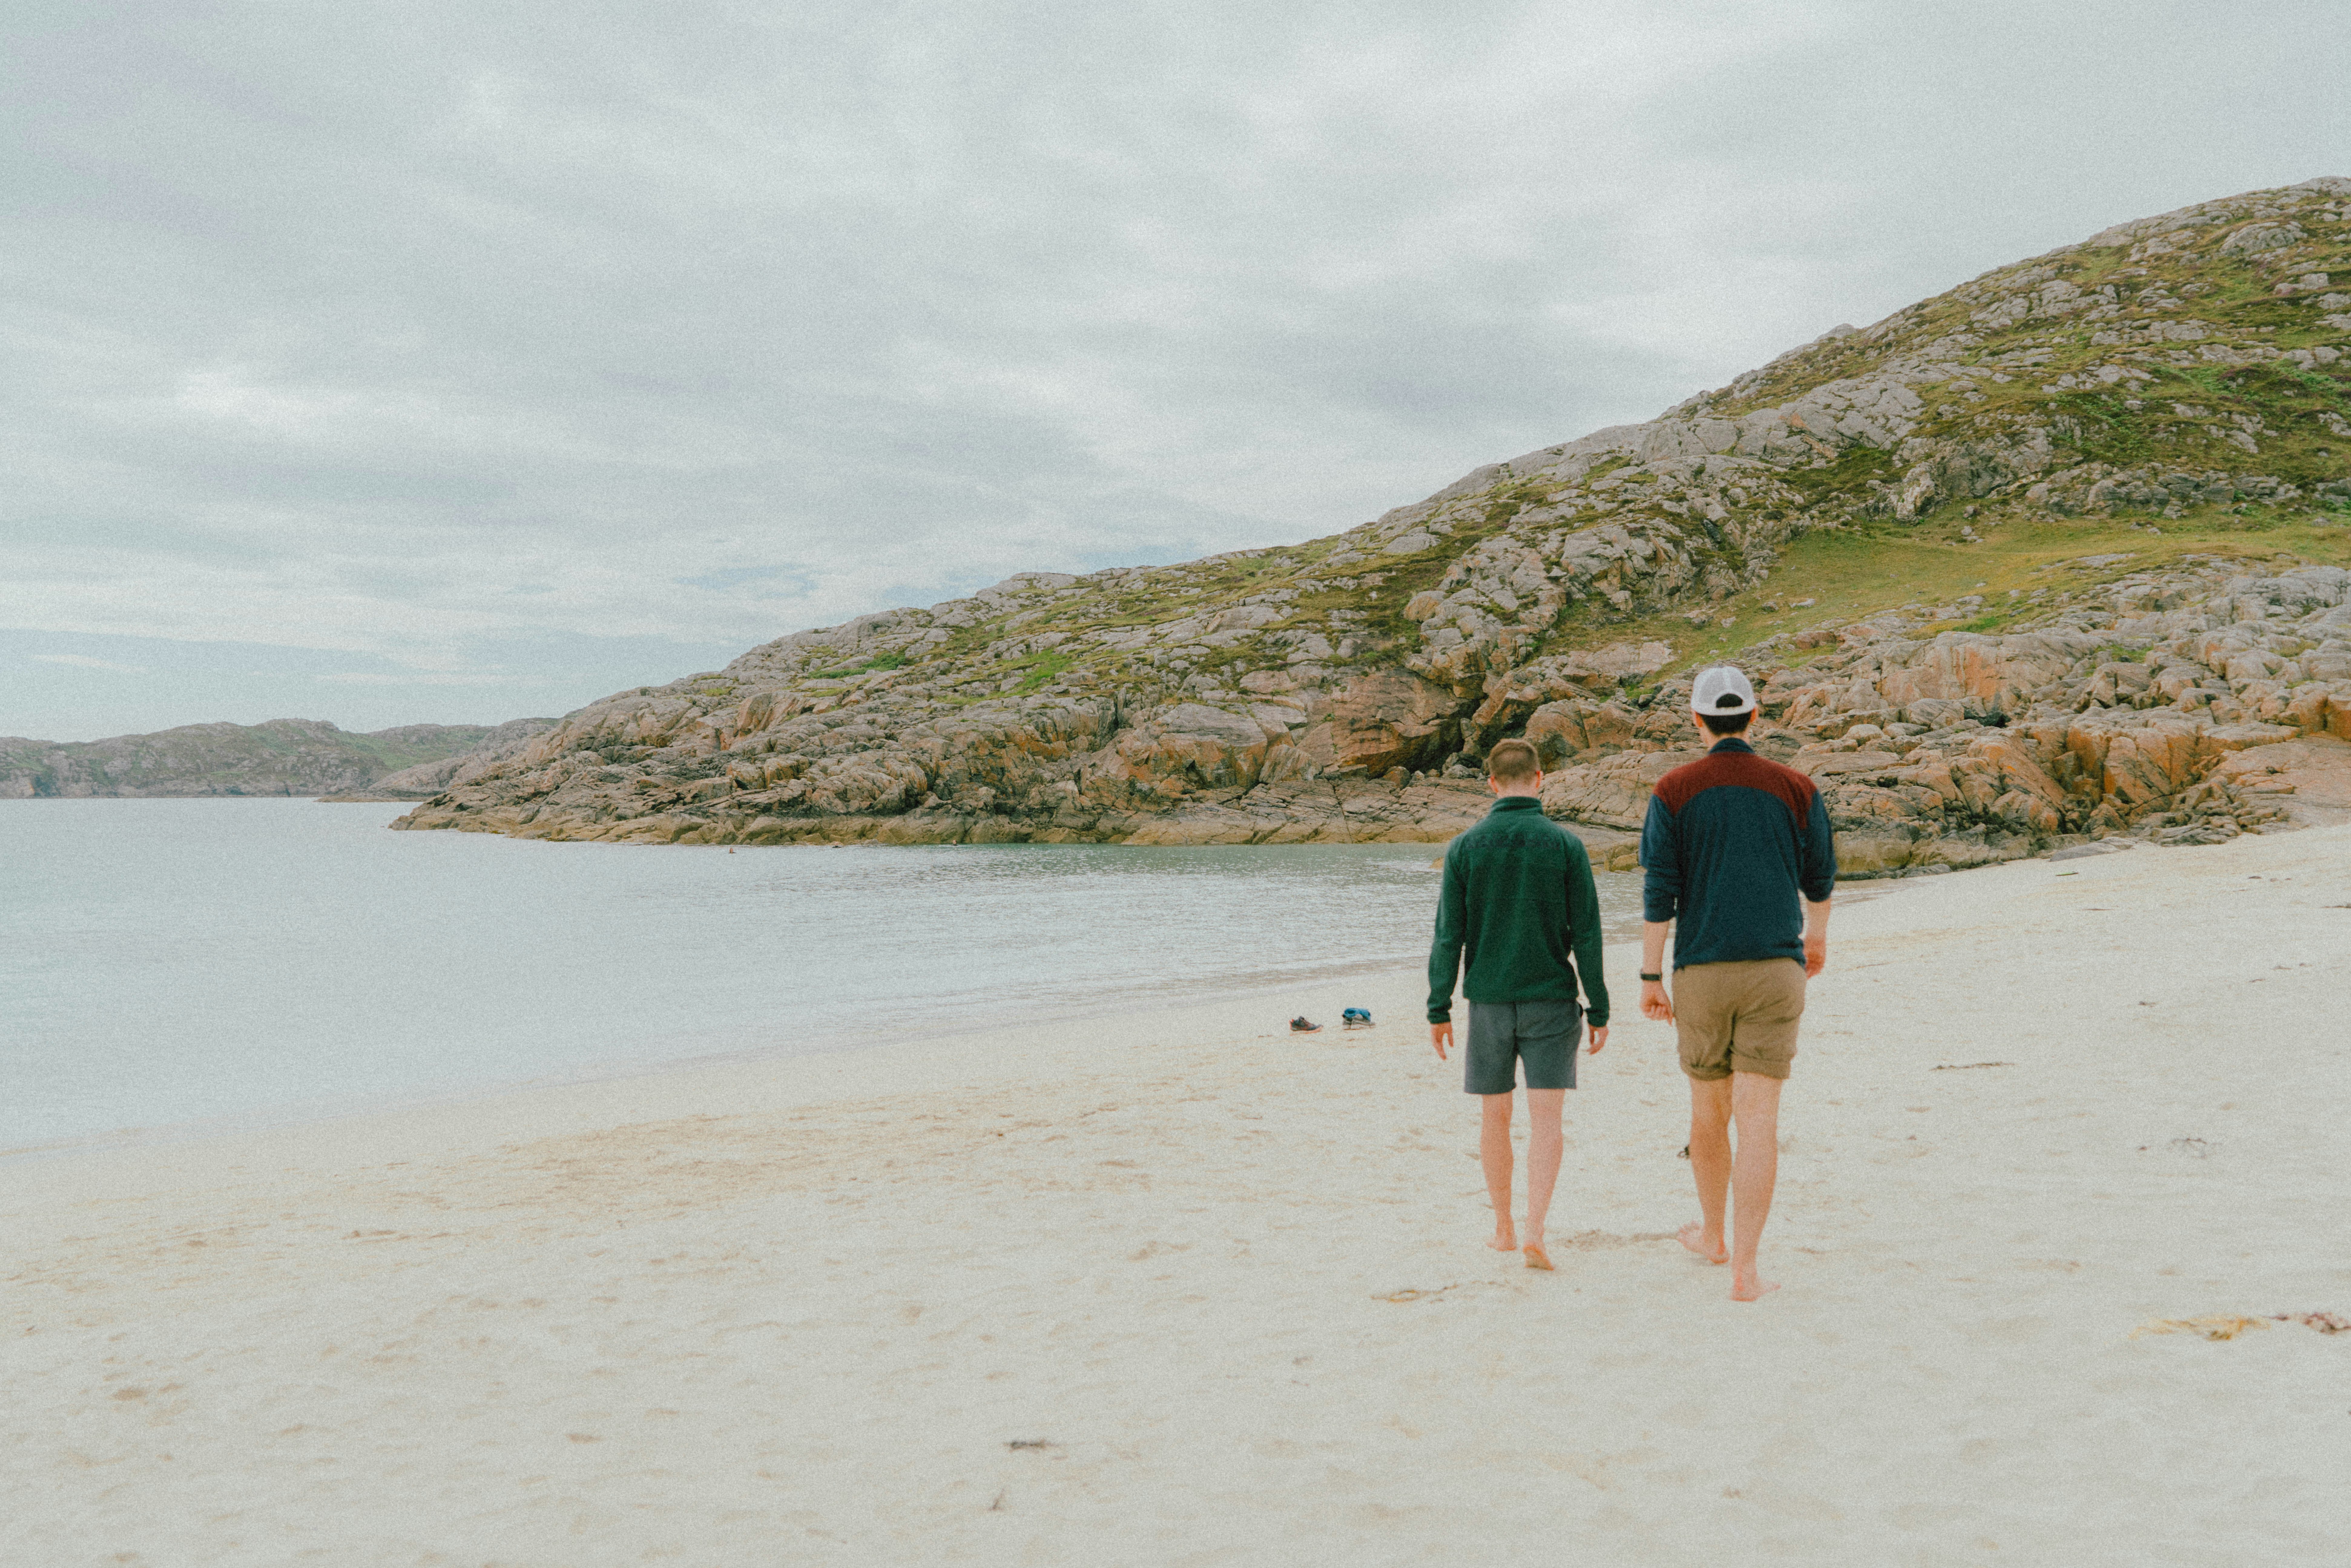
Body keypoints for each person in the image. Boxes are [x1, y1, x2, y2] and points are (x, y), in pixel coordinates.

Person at [1638, 666, 1835, 1302]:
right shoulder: (1795, 786)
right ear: (1754, 716)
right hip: (1776, 968)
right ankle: (1745, 1268)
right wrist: (1814, 939)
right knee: (1759, 1120)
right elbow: (1820, 880)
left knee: (1707, 1112)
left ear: (1696, 720)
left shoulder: (1672, 789)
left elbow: (1658, 893)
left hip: (1701, 970)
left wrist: (1649, 974)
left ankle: (1712, 1236)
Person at [1427, 738, 1611, 1271]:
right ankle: (1536, 1228)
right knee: (1547, 1120)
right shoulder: (1566, 846)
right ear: (1539, 778)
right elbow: (1589, 936)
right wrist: (1598, 1007)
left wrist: (1438, 1007)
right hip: (1552, 999)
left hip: (1487, 1001)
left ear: (1491, 783)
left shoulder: (1465, 847)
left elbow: (1448, 937)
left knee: (1495, 1117)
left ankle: (1503, 1227)